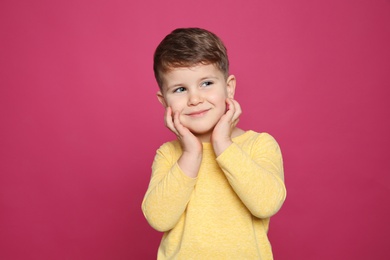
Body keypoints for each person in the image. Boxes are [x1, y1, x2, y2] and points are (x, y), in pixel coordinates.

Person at [142, 27, 286, 260]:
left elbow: (266, 204)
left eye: (206, 83)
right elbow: (159, 218)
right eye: (180, 89)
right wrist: (190, 153)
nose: (195, 99)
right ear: (163, 100)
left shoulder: (260, 144)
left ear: (228, 87)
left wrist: (223, 143)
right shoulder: (169, 154)